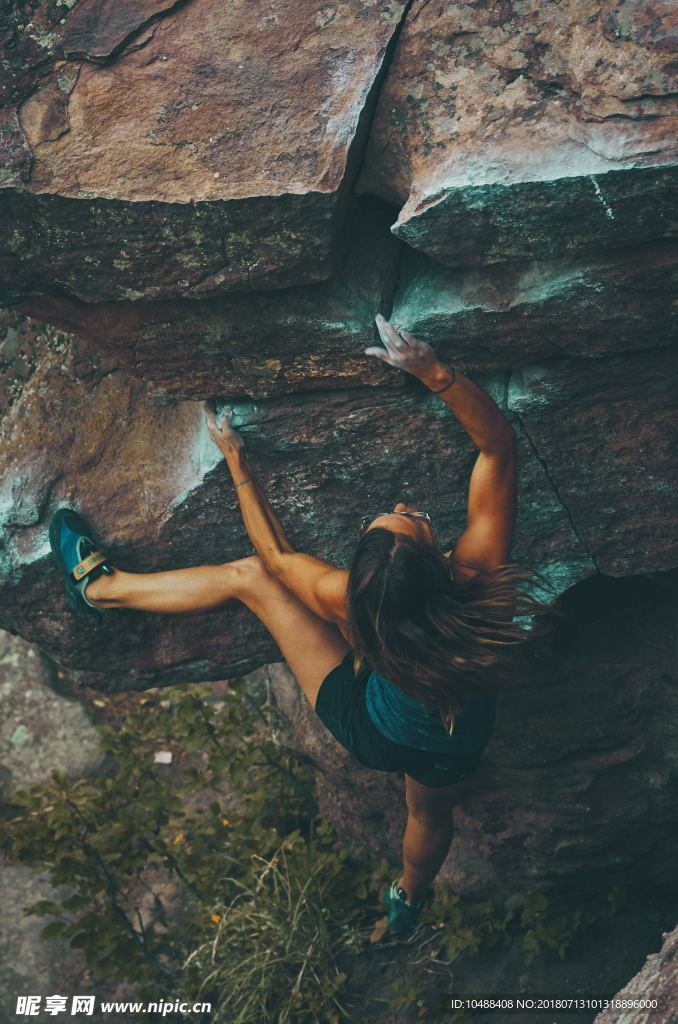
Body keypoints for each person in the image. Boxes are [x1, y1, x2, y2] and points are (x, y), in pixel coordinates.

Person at [50, 314, 536, 935]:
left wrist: (235, 458)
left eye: (397, 517)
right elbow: (498, 446)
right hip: (445, 741)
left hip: (369, 724)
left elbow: (274, 560)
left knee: (251, 578)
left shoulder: (349, 602)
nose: (399, 506)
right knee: (429, 818)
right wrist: (433, 372)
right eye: (404, 517)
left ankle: (103, 589)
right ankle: (407, 901)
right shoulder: (478, 580)